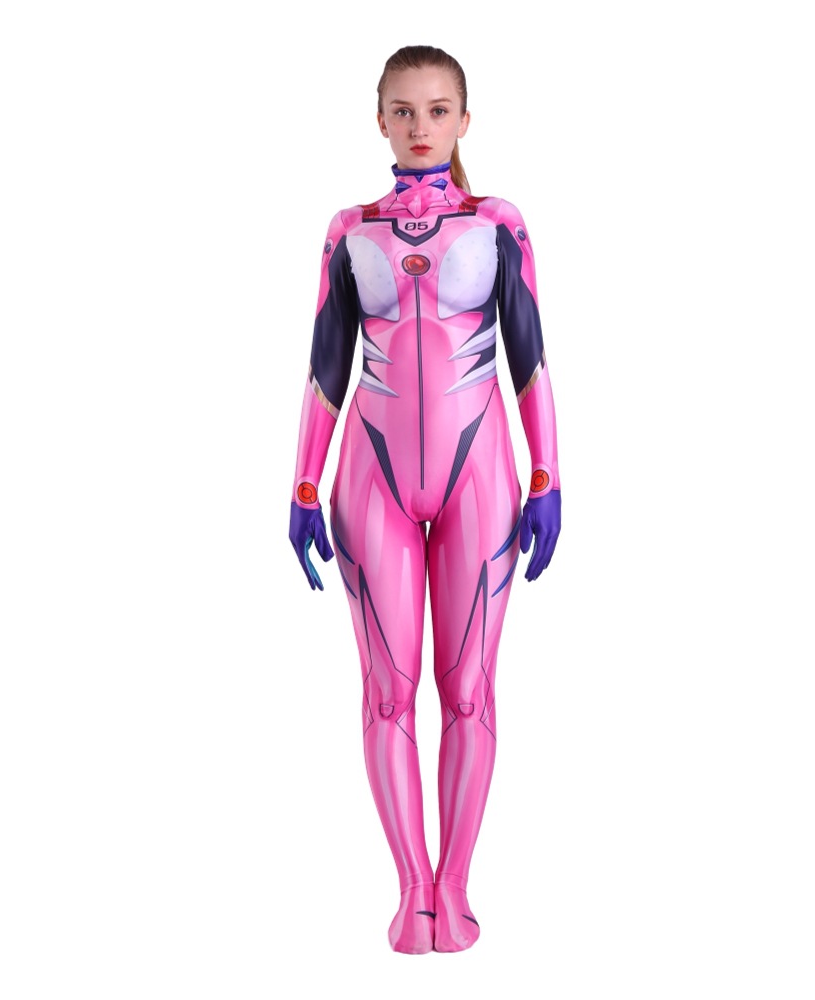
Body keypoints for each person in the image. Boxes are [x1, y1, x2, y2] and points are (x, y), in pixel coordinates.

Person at [288, 44, 561, 954]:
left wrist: (548, 477)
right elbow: (325, 369)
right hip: (370, 479)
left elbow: (531, 361)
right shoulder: (348, 231)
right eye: (403, 111)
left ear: (464, 121)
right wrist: (302, 483)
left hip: (479, 472)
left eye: (437, 111)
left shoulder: (497, 223)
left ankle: (457, 886)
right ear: (380, 120)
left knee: (469, 692)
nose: (420, 127)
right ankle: (412, 892)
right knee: (387, 693)